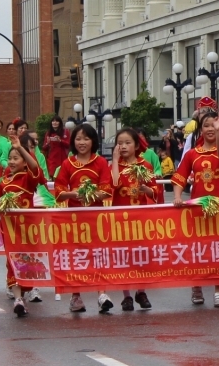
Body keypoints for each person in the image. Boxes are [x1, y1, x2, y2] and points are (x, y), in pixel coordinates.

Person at [0, 133, 47, 317]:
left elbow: (35, 167)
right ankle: (18, 299)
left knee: (28, 261)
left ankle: (25, 294)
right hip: (10, 231)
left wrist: (20, 148)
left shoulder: (28, 179)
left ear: (24, 162)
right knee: (12, 261)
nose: (11, 161)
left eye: (16, 158)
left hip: (28, 230)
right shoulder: (4, 182)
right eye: (10, 158)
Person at [173, 112, 219, 307]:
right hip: (198, 209)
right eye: (206, 125)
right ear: (200, 129)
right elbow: (179, 177)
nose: (210, 129)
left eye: (213, 125)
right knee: (198, 250)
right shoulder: (192, 154)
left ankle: (218, 291)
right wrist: (177, 196)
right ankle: (196, 286)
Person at [54, 124, 113, 313]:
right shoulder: (67, 164)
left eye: (86, 139)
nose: (82, 142)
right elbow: (59, 191)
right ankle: (75, 296)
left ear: (93, 141)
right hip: (74, 219)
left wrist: (91, 195)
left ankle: (102, 294)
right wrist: (73, 194)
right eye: (78, 139)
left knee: (98, 255)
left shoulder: (101, 162)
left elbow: (107, 190)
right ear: (73, 142)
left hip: (96, 218)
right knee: (75, 256)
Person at [111, 128, 159, 311]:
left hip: (141, 219)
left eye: (127, 143)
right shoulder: (115, 165)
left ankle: (141, 291)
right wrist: (115, 161)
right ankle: (127, 296)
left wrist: (147, 190)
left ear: (137, 145)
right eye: (120, 143)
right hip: (120, 219)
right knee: (123, 256)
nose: (123, 146)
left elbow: (155, 190)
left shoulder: (145, 165)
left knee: (141, 255)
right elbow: (113, 185)